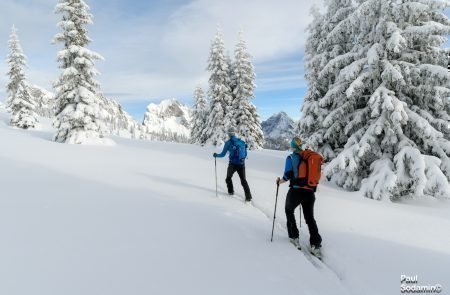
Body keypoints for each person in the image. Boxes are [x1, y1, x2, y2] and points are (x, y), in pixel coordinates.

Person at [276, 137, 322, 258]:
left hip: (296, 191)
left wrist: (280, 181)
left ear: (292, 146)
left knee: (289, 210)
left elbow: (287, 175)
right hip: (310, 192)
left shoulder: (291, 158)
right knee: (310, 218)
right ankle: (316, 244)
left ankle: (294, 236)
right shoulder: (309, 156)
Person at [213, 127, 253, 202]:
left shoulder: (228, 143)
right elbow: (245, 153)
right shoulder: (241, 142)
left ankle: (231, 192)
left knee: (228, 178)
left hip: (232, 164)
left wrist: (216, 155)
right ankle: (248, 196)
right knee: (243, 180)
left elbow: (222, 154)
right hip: (241, 164)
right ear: (235, 133)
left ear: (229, 134)